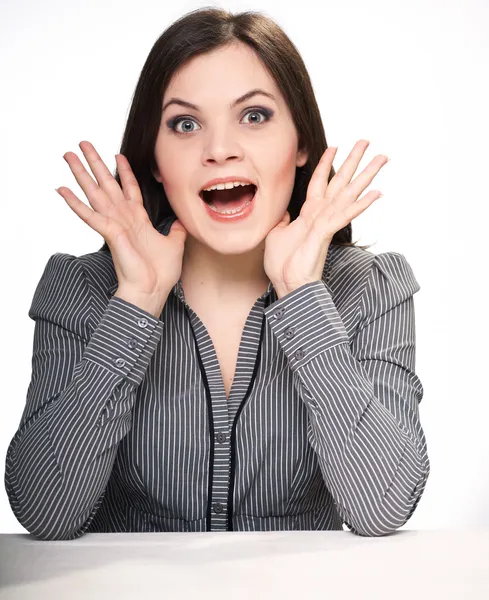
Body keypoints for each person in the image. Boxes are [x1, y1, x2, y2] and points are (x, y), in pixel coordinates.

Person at [4, 7, 430, 540]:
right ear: (155, 160)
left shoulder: (371, 289)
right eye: (186, 124)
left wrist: (303, 296)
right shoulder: (81, 289)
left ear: (300, 143)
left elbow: (384, 507)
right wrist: (136, 301)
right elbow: (45, 514)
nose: (220, 150)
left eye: (254, 116)